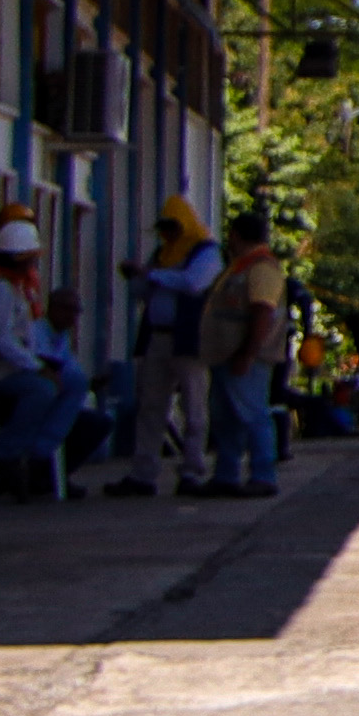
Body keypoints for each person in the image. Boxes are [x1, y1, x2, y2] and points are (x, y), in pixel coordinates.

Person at [0, 220, 83, 498]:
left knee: (74, 382)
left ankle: (41, 452)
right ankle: (6, 453)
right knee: (42, 389)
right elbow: (1, 339)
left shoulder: (14, 287)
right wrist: (38, 367)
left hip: (8, 365)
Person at [117, 204, 219, 499]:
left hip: (189, 337)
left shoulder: (205, 253)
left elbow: (193, 283)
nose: (166, 234)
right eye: (163, 228)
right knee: (150, 405)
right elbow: (144, 291)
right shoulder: (162, 255)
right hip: (157, 337)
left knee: (194, 407)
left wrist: (152, 274)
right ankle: (143, 473)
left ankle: (191, 470)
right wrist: (137, 277)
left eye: (171, 227)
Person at [198, 212, 291, 497]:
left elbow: (263, 312)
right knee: (227, 418)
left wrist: (248, 353)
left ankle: (263, 475)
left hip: (246, 357)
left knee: (252, 415)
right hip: (226, 354)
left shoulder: (262, 268)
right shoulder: (240, 267)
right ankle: (226, 476)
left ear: (236, 235)